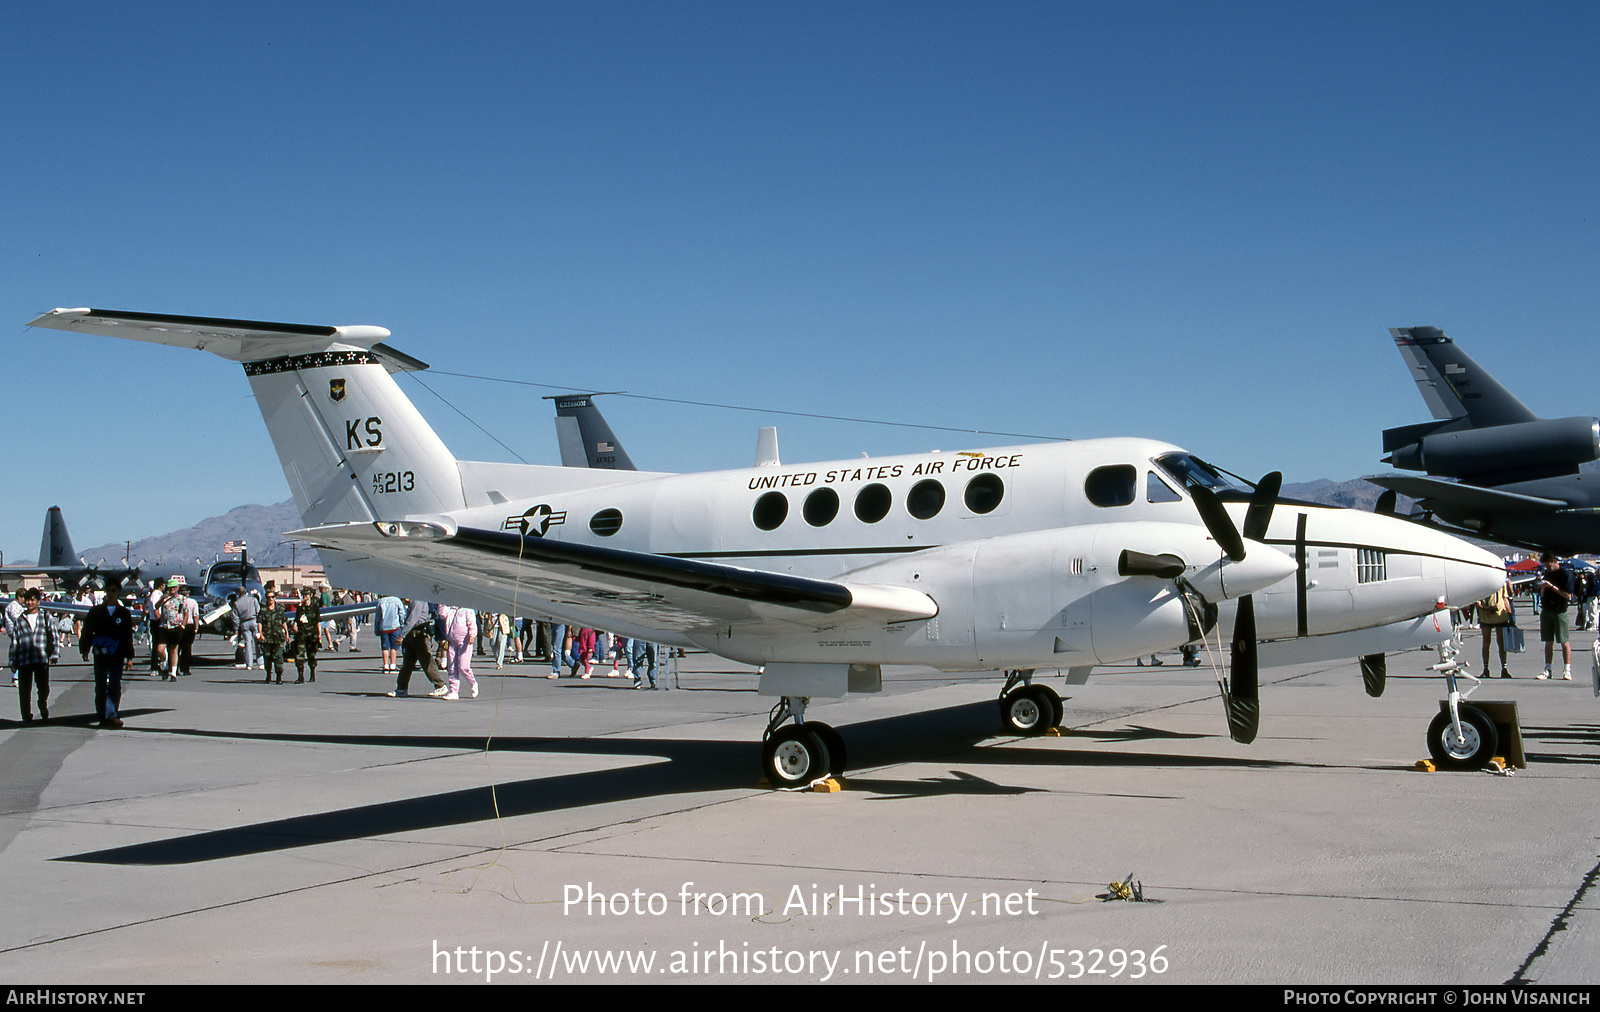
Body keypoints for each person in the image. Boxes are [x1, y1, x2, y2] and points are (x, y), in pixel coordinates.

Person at [80, 579, 137, 729]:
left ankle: (111, 714)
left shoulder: (124, 614)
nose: (110, 594)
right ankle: (103, 716)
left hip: (117, 655)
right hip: (100, 654)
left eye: (113, 591)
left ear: (118, 592)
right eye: (108, 591)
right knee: (100, 686)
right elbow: (87, 631)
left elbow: (127, 636)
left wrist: (129, 657)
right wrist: (84, 649)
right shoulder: (95, 612)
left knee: (114, 686)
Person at [10, 588, 57, 723]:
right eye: (27, 600)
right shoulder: (20, 620)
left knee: (44, 688)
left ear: (38, 601)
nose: (29, 603)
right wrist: (12, 660)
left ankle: (42, 703)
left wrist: (54, 654)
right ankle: (26, 715)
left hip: (41, 658)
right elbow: (15, 641)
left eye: (32, 600)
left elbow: (53, 635)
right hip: (24, 659)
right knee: (24, 690)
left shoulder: (46, 617)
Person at [390, 599, 447, 698]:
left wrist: (402, 635)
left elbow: (413, 619)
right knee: (407, 663)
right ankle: (401, 688)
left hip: (419, 633)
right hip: (413, 634)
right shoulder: (414, 599)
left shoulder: (417, 600)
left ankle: (440, 685)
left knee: (426, 661)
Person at [1536, 553, 1574, 680]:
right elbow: (1543, 591)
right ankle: (1548, 669)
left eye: (1548, 564)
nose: (1547, 567)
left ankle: (1567, 669)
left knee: (1564, 641)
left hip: (1560, 610)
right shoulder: (1547, 574)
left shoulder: (1565, 575)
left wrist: (1551, 586)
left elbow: (1568, 596)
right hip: (1547, 609)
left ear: (1553, 561)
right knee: (1548, 641)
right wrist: (1542, 588)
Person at [1476, 579, 1515, 679]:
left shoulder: (1501, 582)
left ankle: (1504, 668)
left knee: (1501, 642)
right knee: (1486, 641)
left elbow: (1505, 598)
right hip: (1486, 614)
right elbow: (1476, 601)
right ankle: (1485, 668)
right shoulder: (1480, 583)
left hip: (1500, 614)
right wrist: (1485, 608)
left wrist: (1510, 614)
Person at [437, 604, 477, 700]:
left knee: (463, 666)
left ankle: (473, 682)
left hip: (464, 642)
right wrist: (442, 602)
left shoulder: (467, 609)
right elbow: (441, 613)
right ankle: (454, 691)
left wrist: (472, 635)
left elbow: (472, 623)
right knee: (452, 667)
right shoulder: (450, 609)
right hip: (452, 642)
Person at [291, 586, 322, 683]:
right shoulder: (300, 608)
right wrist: (295, 628)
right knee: (299, 656)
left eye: (307, 595)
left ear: (310, 595)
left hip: (312, 635)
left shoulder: (315, 608)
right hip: (301, 635)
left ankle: (312, 674)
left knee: (311, 655)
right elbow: (296, 621)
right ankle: (300, 676)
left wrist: (319, 634)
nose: (305, 596)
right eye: (304, 594)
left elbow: (318, 622)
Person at [259, 588, 289, 684]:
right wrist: (260, 634)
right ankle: (268, 674)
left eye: (272, 597)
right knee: (267, 657)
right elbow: (259, 622)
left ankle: (279, 676)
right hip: (267, 637)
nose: (270, 599)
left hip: (278, 637)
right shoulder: (263, 610)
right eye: (269, 597)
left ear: (275, 598)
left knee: (278, 657)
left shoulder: (279, 609)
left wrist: (287, 634)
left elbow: (284, 622)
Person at [376, 594, 403, 674]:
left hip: (384, 627)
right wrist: (402, 624)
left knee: (385, 647)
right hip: (395, 626)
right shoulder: (397, 600)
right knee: (393, 647)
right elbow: (401, 614)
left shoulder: (381, 601)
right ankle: (393, 665)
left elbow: (378, 617)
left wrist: (377, 628)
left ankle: (385, 666)